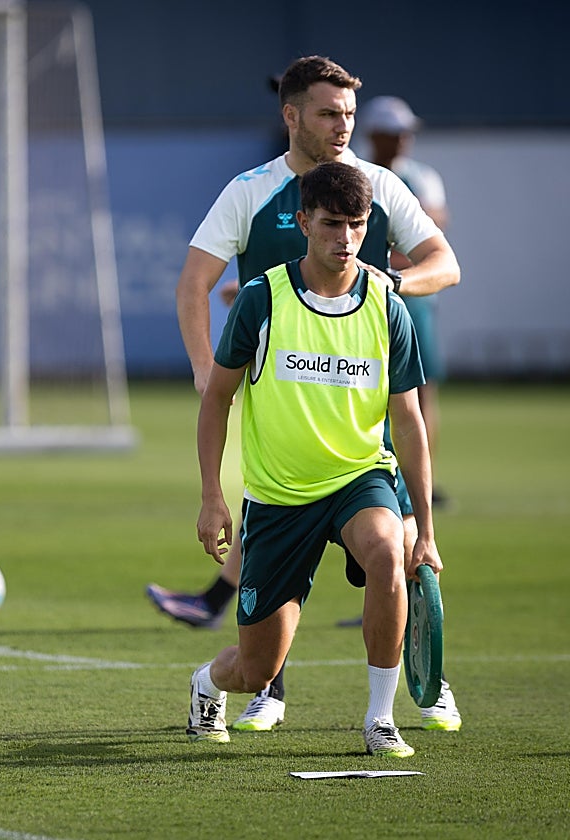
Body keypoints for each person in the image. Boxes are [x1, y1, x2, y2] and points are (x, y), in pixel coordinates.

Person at [147, 55, 462, 732]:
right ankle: (265, 687)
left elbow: (445, 264)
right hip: (282, 416)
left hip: (364, 420)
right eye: (327, 113)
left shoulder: (380, 187)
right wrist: (207, 370)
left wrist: (391, 285)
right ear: (291, 116)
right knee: (268, 615)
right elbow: (193, 284)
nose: (342, 125)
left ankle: (421, 683)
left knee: (403, 551)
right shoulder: (251, 192)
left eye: (349, 113)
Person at [186, 160, 438, 757]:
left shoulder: (387, 307)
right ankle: (207, 683)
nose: (345, 238)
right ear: (303, 222)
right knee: (256, 668)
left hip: (359, 478)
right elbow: (217, 399)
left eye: (356, 225)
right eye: (331, 224)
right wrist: (213, 497)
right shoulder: (261, 299)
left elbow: (408, 422)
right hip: (279, 496)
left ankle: (380, 718)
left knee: (388, 552)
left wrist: (425, 530)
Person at [360, 95, 450, 508]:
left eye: (405, 133)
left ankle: (421, 481)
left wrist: (389, 266)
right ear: (374, 135)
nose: (402, 140)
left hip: (411, 297)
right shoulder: (357, 175)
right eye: (393, 133)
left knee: (420, 389)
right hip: (365, 295)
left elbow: (431, 232)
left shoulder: (421, 177)